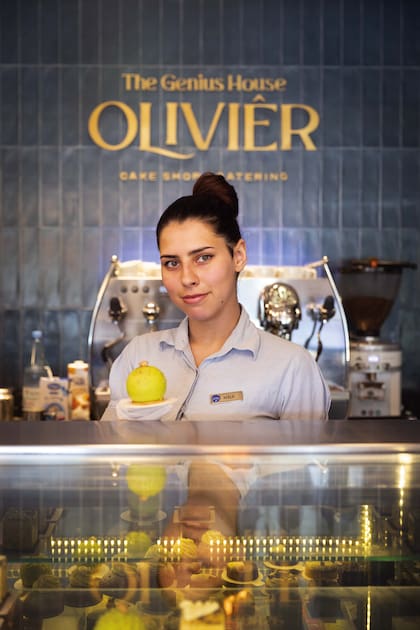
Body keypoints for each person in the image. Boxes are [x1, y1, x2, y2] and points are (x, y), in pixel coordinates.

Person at [102, 171, 330, 422]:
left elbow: (306, 461)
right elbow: (114, 456)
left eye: (203, 258)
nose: (187, 278)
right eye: (171, 263)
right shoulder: (139, 356)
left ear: (239, 256)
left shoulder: (292, 368)